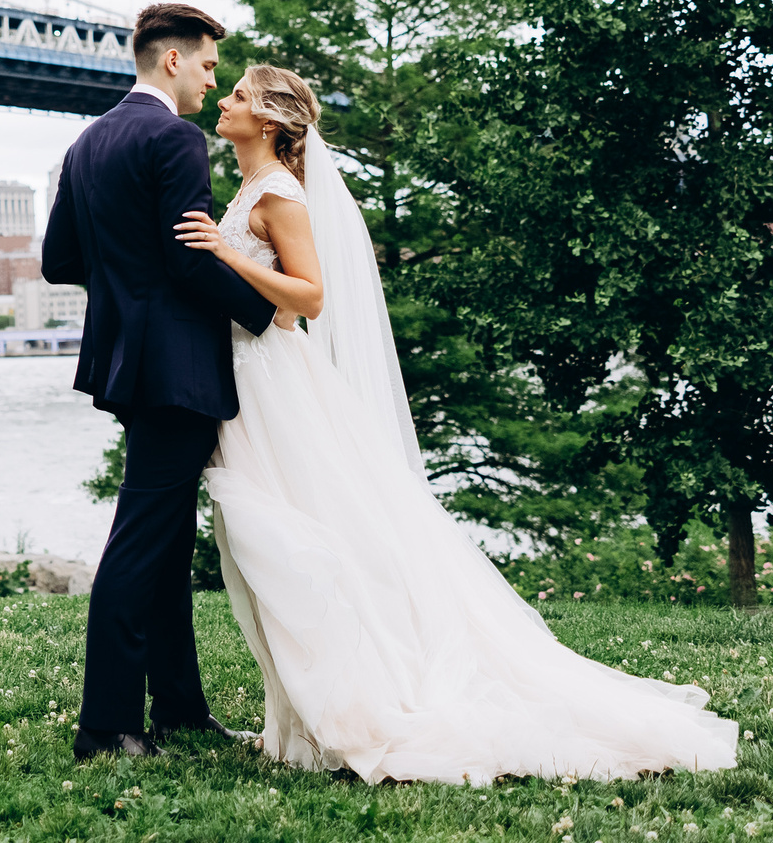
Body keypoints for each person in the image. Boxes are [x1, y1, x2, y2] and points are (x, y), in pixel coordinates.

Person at [171, 62, 737, 784]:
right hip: (252, 379)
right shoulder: (250, 186)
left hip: (275, 386)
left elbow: (309, 298)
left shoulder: (280, 192)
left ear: (272, 120)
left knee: (290, 542)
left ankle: (355, 708)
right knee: (269, 544)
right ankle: (303, 718)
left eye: (241, 95)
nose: (224, 100)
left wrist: (224, 253)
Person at [40, 3, 278, 761]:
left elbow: (59, 262)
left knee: (169, 541)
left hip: (124, 363)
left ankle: (179, 709)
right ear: (172, 60)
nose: (212, 82)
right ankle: (107, 726)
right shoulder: (174, 137)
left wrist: (126, 278)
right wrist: (268, 313)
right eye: (208, 66)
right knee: (142, 541)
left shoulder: (86, 142)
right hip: (178, 366)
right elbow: (186, 259)